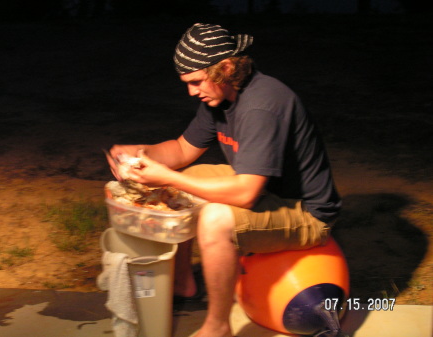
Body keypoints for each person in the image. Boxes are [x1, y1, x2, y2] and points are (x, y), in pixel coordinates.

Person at [108, 23, 341, 337]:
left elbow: (245, 193)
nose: (192, 91)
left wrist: (164, 174)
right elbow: (180, 149)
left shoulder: (261, 105)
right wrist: (139, 152)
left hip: (305, 212)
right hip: (265, 190)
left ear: (226, 68)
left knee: (214, 219)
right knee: (177, 185)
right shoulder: (220, 97)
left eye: (196, 82)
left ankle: (217, 327)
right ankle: (182, 282)